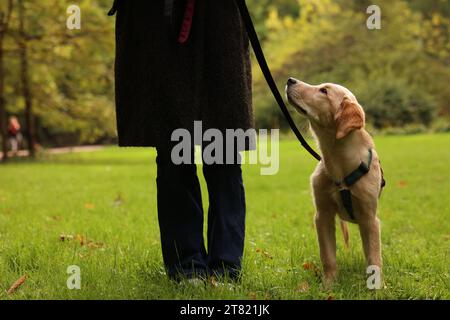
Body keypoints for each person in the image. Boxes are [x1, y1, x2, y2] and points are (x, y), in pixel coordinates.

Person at [109, 0, 253, 280]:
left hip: (218, 24)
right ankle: (186, 267)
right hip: (157, 24)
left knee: (223, 147)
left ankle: (225, 268)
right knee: (174, 150)